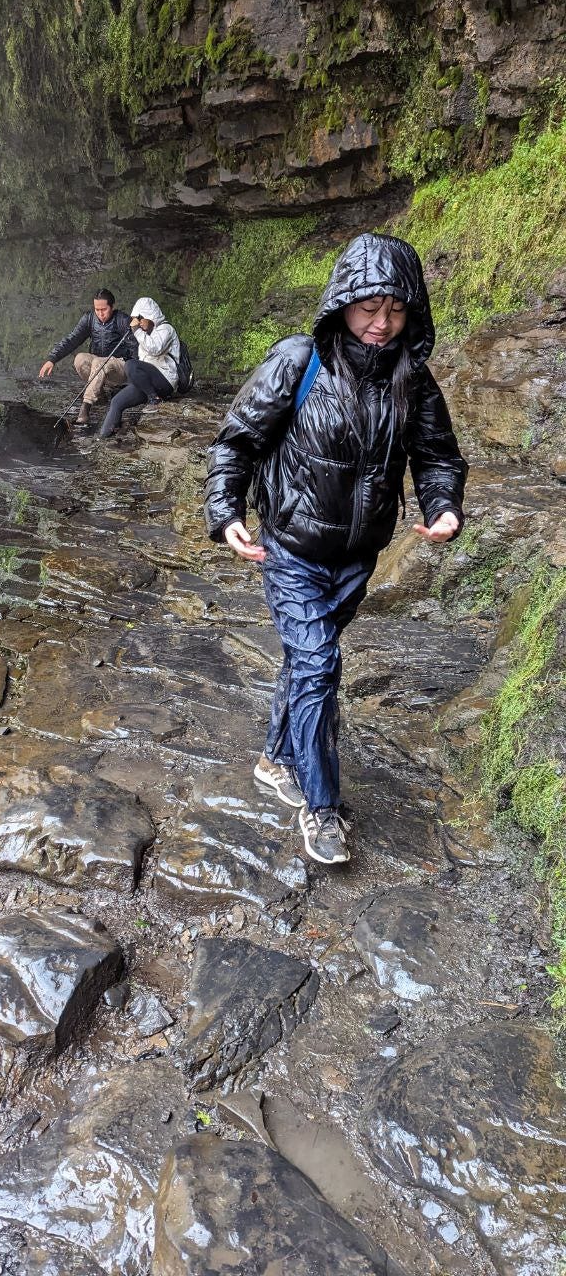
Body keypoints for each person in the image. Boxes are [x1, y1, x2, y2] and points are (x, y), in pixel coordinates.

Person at [204, 232, 468, 867]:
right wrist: (225, 512)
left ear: (413, 311)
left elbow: (437, 458)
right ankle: (320, 808)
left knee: (306, 662)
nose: (381, 324)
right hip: (291, 547)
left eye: (395, 311)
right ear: (342, 303)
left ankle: (274, 759)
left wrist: (444, 506)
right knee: (320, 666)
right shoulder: (300, 361)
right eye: (368, 308)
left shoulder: (415, 379)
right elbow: (237, 441)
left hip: (357, 557)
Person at [39, 288, 136, 425]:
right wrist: (52, 359)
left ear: (112, 306)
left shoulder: (122, 320)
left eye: (104, 309)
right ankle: (99, 394)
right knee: (80, 359)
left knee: (98, 361)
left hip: (120, 368)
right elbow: (72, 339)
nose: (100, 313)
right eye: (97, 309)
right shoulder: (89, 319)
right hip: (99, 367)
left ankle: (85, 409)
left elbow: (136, 347)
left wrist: (139, 378)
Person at [98, 297, 180, 439]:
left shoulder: (166, 329)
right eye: (136, 319)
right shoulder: (145, 334)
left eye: (140, 318)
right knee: (117, 402)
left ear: (151, 315)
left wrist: (137, 330)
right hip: (149, 382)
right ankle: (104, 437)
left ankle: (154, 400)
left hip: (165, 380)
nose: (138, 322)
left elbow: (155, 349)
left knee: (131, 365)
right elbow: (143, 358)